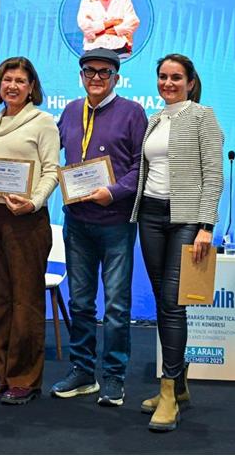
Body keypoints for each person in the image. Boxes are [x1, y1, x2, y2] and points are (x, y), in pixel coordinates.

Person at [130, 54, 223, 432]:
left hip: (186, 220)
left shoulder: (202, 116)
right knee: (162, 302)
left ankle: (168, 390)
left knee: (172, 303)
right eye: (163, 77)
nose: (168, 83)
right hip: (150, 216)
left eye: (176, 77)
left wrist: (206, 226)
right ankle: (179, 384)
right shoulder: (155, 118)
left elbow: (213, 175)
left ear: (190, 82)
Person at [49, 48, 147, 406]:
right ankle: (82, 371)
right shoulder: (70, 111)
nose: (96, 77)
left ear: (116, 78)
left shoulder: (133, 112)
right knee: (80, 303)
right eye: (89, 71)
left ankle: (114, 377)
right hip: (77, 223)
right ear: (81, 76)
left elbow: (141, 167)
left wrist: (114, 192)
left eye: (104, 72)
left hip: (116, 223)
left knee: (116, 307)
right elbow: (47, 154)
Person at [0, 57, 60, 405]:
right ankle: (4, 375)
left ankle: (25, 379)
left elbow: (52, 171)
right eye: (7, 79)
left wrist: (34, 202)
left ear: (31, 87)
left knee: (25, 300)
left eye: (20, 81)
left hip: (26, 219)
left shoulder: (43, 122)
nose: (13, 86)